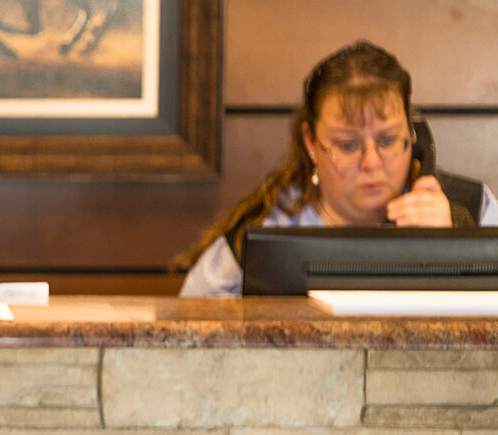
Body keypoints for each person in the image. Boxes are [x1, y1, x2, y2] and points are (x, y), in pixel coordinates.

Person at [177, 40, 498, 297]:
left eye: (387, 140)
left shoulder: (472, 208)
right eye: (347, 146)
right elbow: (187, 351)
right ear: (312, 143)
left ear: (413, 136)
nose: (371, 163)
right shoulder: (260, 240)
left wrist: (456, 247)